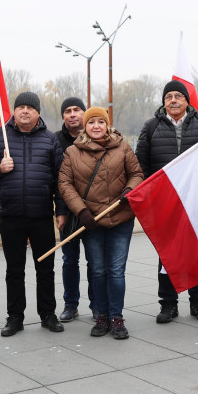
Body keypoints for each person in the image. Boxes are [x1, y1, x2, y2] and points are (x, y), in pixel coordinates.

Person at [0, 92, 66, 336]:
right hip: (11, 214)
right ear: (14, 112)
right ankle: (15, 317)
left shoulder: (50, 140)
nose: (25, 111)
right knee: (14, 270)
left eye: (30, 107)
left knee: (45, 268)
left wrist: (61, 210)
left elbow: (60, 177)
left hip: (41, 215)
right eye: (20, 107)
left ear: (38, 113)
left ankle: (48, 314)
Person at [59, 107, 143, 340]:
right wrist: (81, 210)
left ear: (108, 125)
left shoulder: (123, 147)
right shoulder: (72, 152)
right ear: (85, 127)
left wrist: (129, 189)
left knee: (116, 270)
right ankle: (102, 316)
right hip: (91, 221)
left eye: (101, 122)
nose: (96, 126)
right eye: (91, 122)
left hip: (120, 218)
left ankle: (116, 317)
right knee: (97, 270)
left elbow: (136, 173)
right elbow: (65, 184)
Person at [136, 81, 198, 324]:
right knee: (166, 253)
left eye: (178, 96)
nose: (173, 100)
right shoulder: (151, 127)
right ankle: (168, 304)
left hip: (195, 202)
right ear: (164, 101)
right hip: (165, 202)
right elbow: (141, 166)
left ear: (187, 100)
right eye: (168, 96)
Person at [56, 97, 97, 322]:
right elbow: (58, 181)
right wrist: (60, 211)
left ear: (84, 113)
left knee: (95, 262)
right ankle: (70, 304)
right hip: (69, 212)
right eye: (68, 111)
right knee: (69, 261)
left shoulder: (97, 136)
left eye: (77, 110)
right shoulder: (55, 141)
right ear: (63, 116)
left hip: (94, 212)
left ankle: (97, 305)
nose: (72, 114)